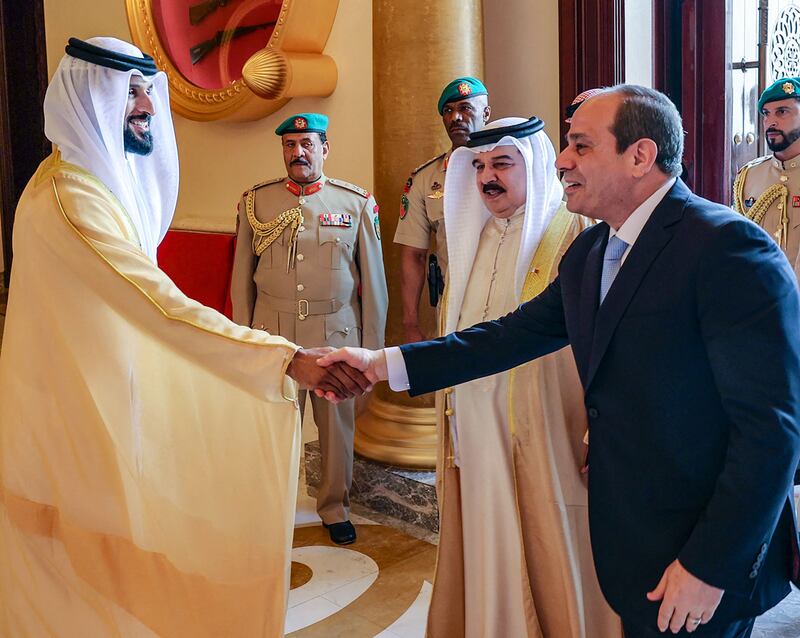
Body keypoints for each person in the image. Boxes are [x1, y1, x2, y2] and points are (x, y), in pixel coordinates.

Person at [318, 85, 800, 638]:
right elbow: (503, 339)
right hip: (630, 544)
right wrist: (380, 364)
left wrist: (709, 565)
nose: (563, 160)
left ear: (640, 156)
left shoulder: (727, 248)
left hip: (700, 553)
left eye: (580, 145)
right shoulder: (592, 253)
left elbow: (771, 433)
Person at [0, 37, 369, 637]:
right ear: (89, 98)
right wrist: (284, 357)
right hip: (74, 408)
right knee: (77, 571)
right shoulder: (70, 200)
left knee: (103, 560)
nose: (147, 105)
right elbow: (157, 303)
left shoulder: (77, 181)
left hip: (102, 396)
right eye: (130, 92)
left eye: (150, 89)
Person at [421, 115, 621, 638]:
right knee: (486, 543)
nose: (488, 177)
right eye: (480, 165)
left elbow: (612, 343)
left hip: (549, 431)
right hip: (476, 431)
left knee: (550, 547)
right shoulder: (473, 235)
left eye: (502, 163)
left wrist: (601, 425)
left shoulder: (571, 234)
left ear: (532, 165)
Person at [230, 112, 388, 545]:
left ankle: (334, 507)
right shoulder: (256, 203)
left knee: (337, 426)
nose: (297, 152)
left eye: (307, 144)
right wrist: (242, 340)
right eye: (289, 145)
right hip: (272, 330)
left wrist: (373, 355)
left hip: (335, 331)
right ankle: (270, 505)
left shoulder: (354, 204)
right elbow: (241, 278)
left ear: (325, 148)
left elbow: (374, 285)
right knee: (273, 422)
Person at [393, 76, 491, 342]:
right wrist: (411, 323)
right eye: (448, 111)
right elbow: (414, 255)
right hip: (454, 303)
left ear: (486, 113)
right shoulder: (426, 178)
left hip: (507, 299)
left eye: (464, 108)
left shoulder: (511, 167)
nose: (455, 117)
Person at [733, 77, 800, 278]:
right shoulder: (749, 176)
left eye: (782, 112)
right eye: (766, 114)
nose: (771, 122)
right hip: (760, 298)